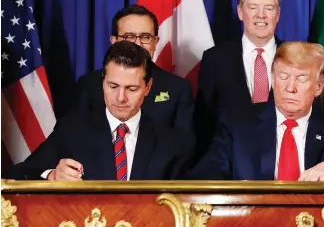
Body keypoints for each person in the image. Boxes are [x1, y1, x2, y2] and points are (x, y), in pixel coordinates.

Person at [185, 42, 324, 181]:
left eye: (302, 79)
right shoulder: (237, 125)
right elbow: (206, 173)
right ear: (272, 79)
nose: (291, 87)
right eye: (284, 76)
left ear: (319, 87)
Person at [7, 41, 190, 181]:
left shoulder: (170, 143)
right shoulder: (72, 130)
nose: (120, 97)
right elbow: (20, 173)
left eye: (131, 89)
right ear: (102, 81)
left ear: (148, 87)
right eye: (112, 86)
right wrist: (52, 175)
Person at [194, 0, 283, 158]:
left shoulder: (294, 57)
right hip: (229, 166)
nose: (261, 14)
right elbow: (204, 123)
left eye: (269, 8)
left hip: (282, 164)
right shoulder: (215, 59)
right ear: (240, 12)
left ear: (278, 14)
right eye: (253, 7)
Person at [74, 4, 194, 135]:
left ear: (155, 41)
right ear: (114, 40)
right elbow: (75, 135)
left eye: (145, 37)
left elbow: (185, 145)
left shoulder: (178, 89)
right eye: (129, 37)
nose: (137, 44)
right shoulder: (89, 85)